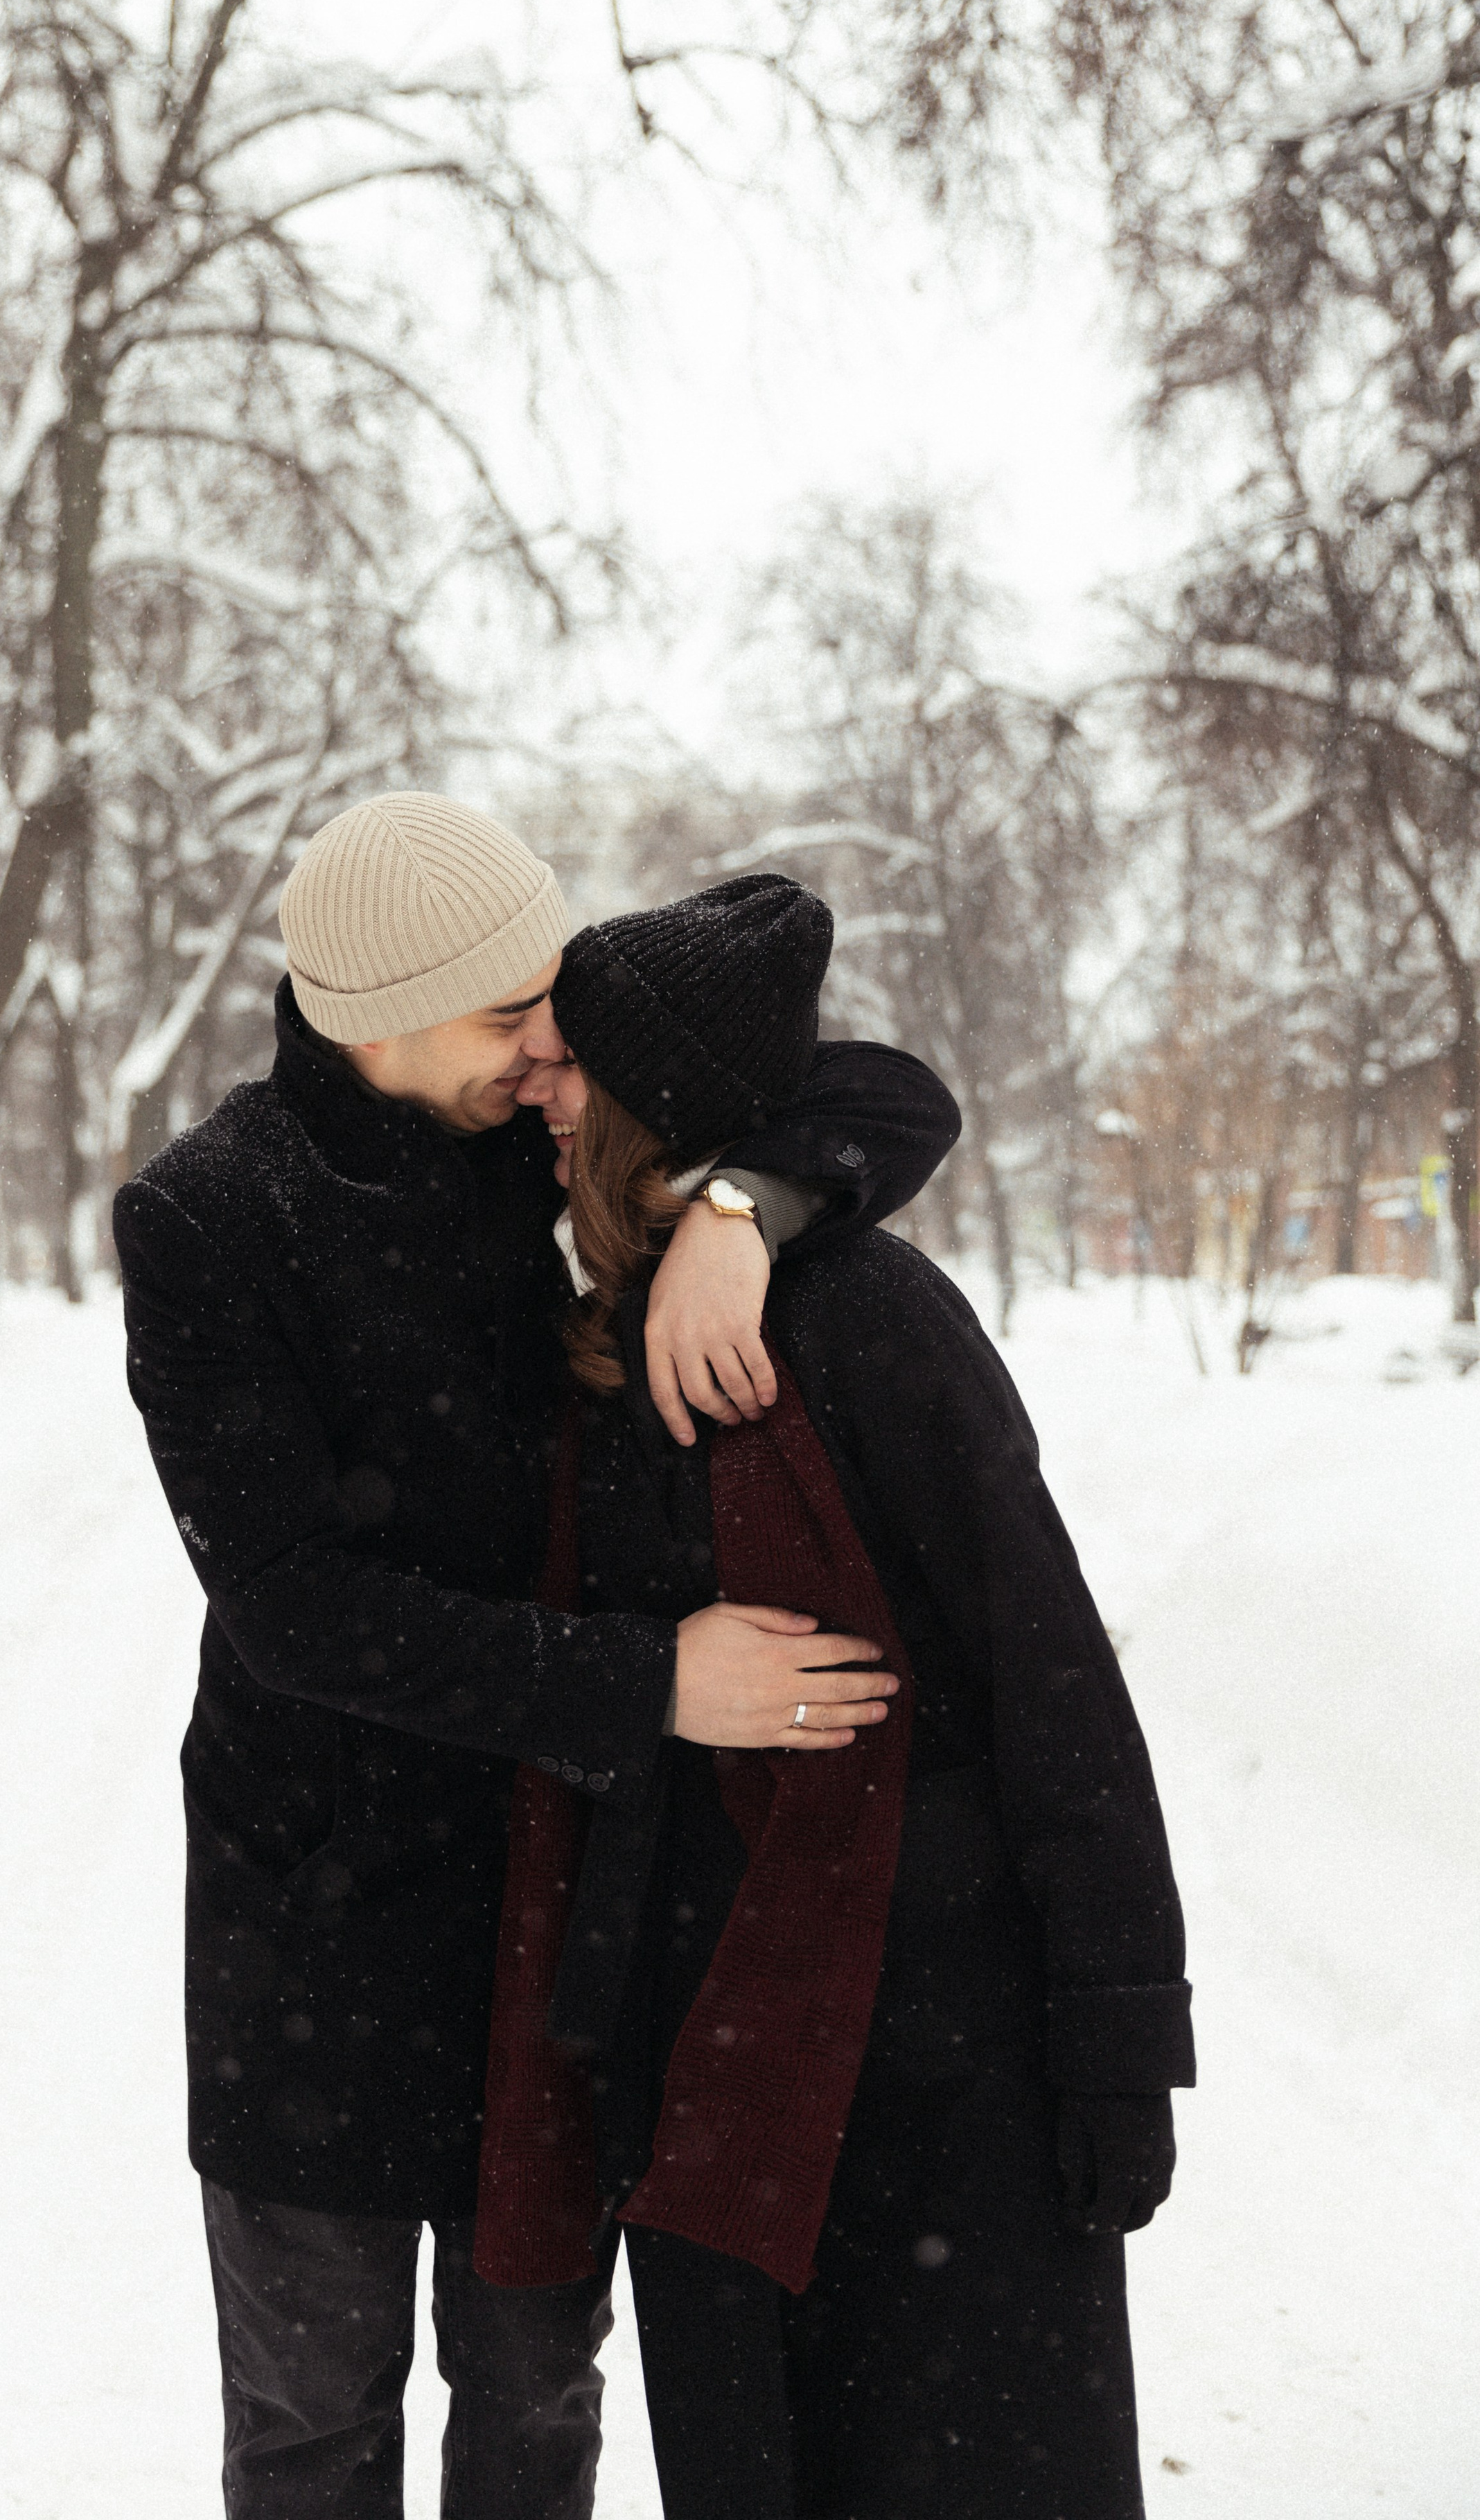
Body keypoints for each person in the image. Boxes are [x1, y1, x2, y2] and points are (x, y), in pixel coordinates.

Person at [112, 794, 960, 2519]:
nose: (546, 1047)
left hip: (550, 1908)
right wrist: (647, 1683)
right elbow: (288, 1604)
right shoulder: (208, 1214)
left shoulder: (542, 1137)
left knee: (533, 2399)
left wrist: (736, 1206)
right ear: (378, 1016)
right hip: (311, 1927)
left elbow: (890, 1093)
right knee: (310, 2424)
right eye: (510, 1014)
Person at [476, 871, 1194, 2520]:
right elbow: (881, 1096)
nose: (535, 1089)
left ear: (653, 1099)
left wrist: (1115, 2039)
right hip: (699, 2055)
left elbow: (1049, 1681)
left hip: (938, 2056)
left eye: (570, 1063)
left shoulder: (870, 1321)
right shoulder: (596, 1323)